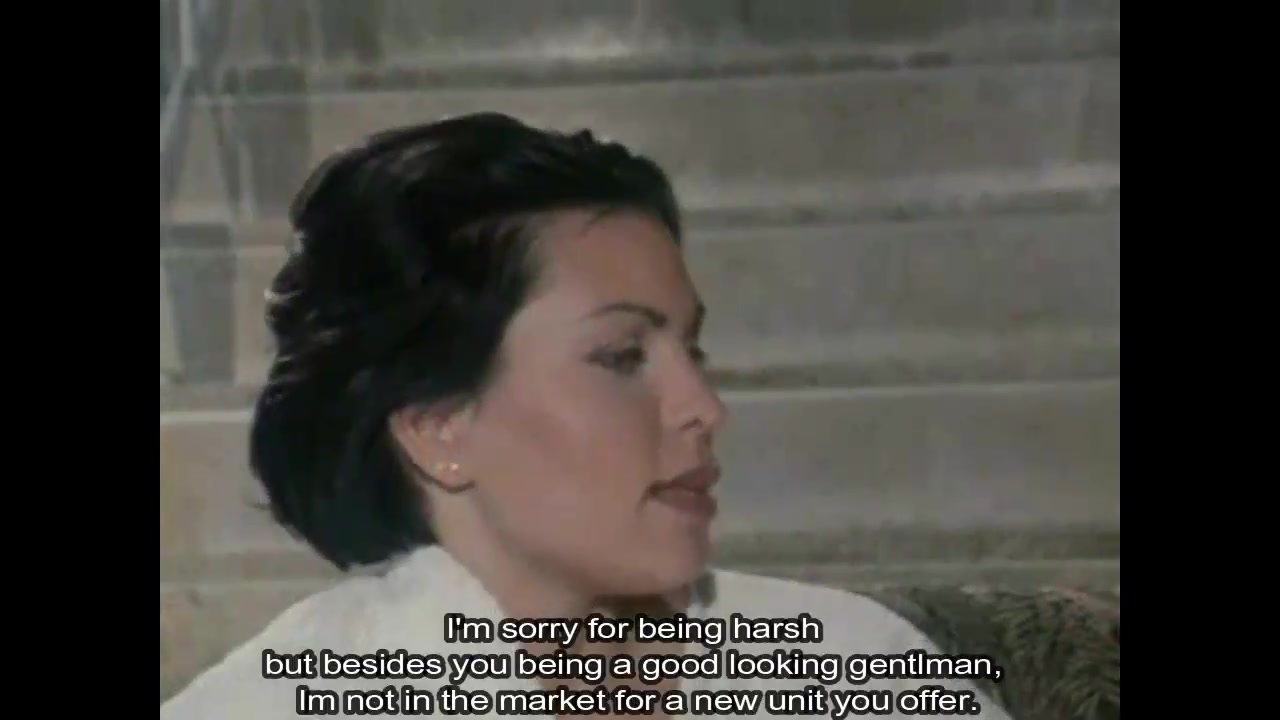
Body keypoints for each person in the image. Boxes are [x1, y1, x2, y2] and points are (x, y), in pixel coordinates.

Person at [160, 112, 1012, 719]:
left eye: (693, 350)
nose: (704, 407)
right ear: (436, 424)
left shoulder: (857, 664)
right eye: (620, 357)